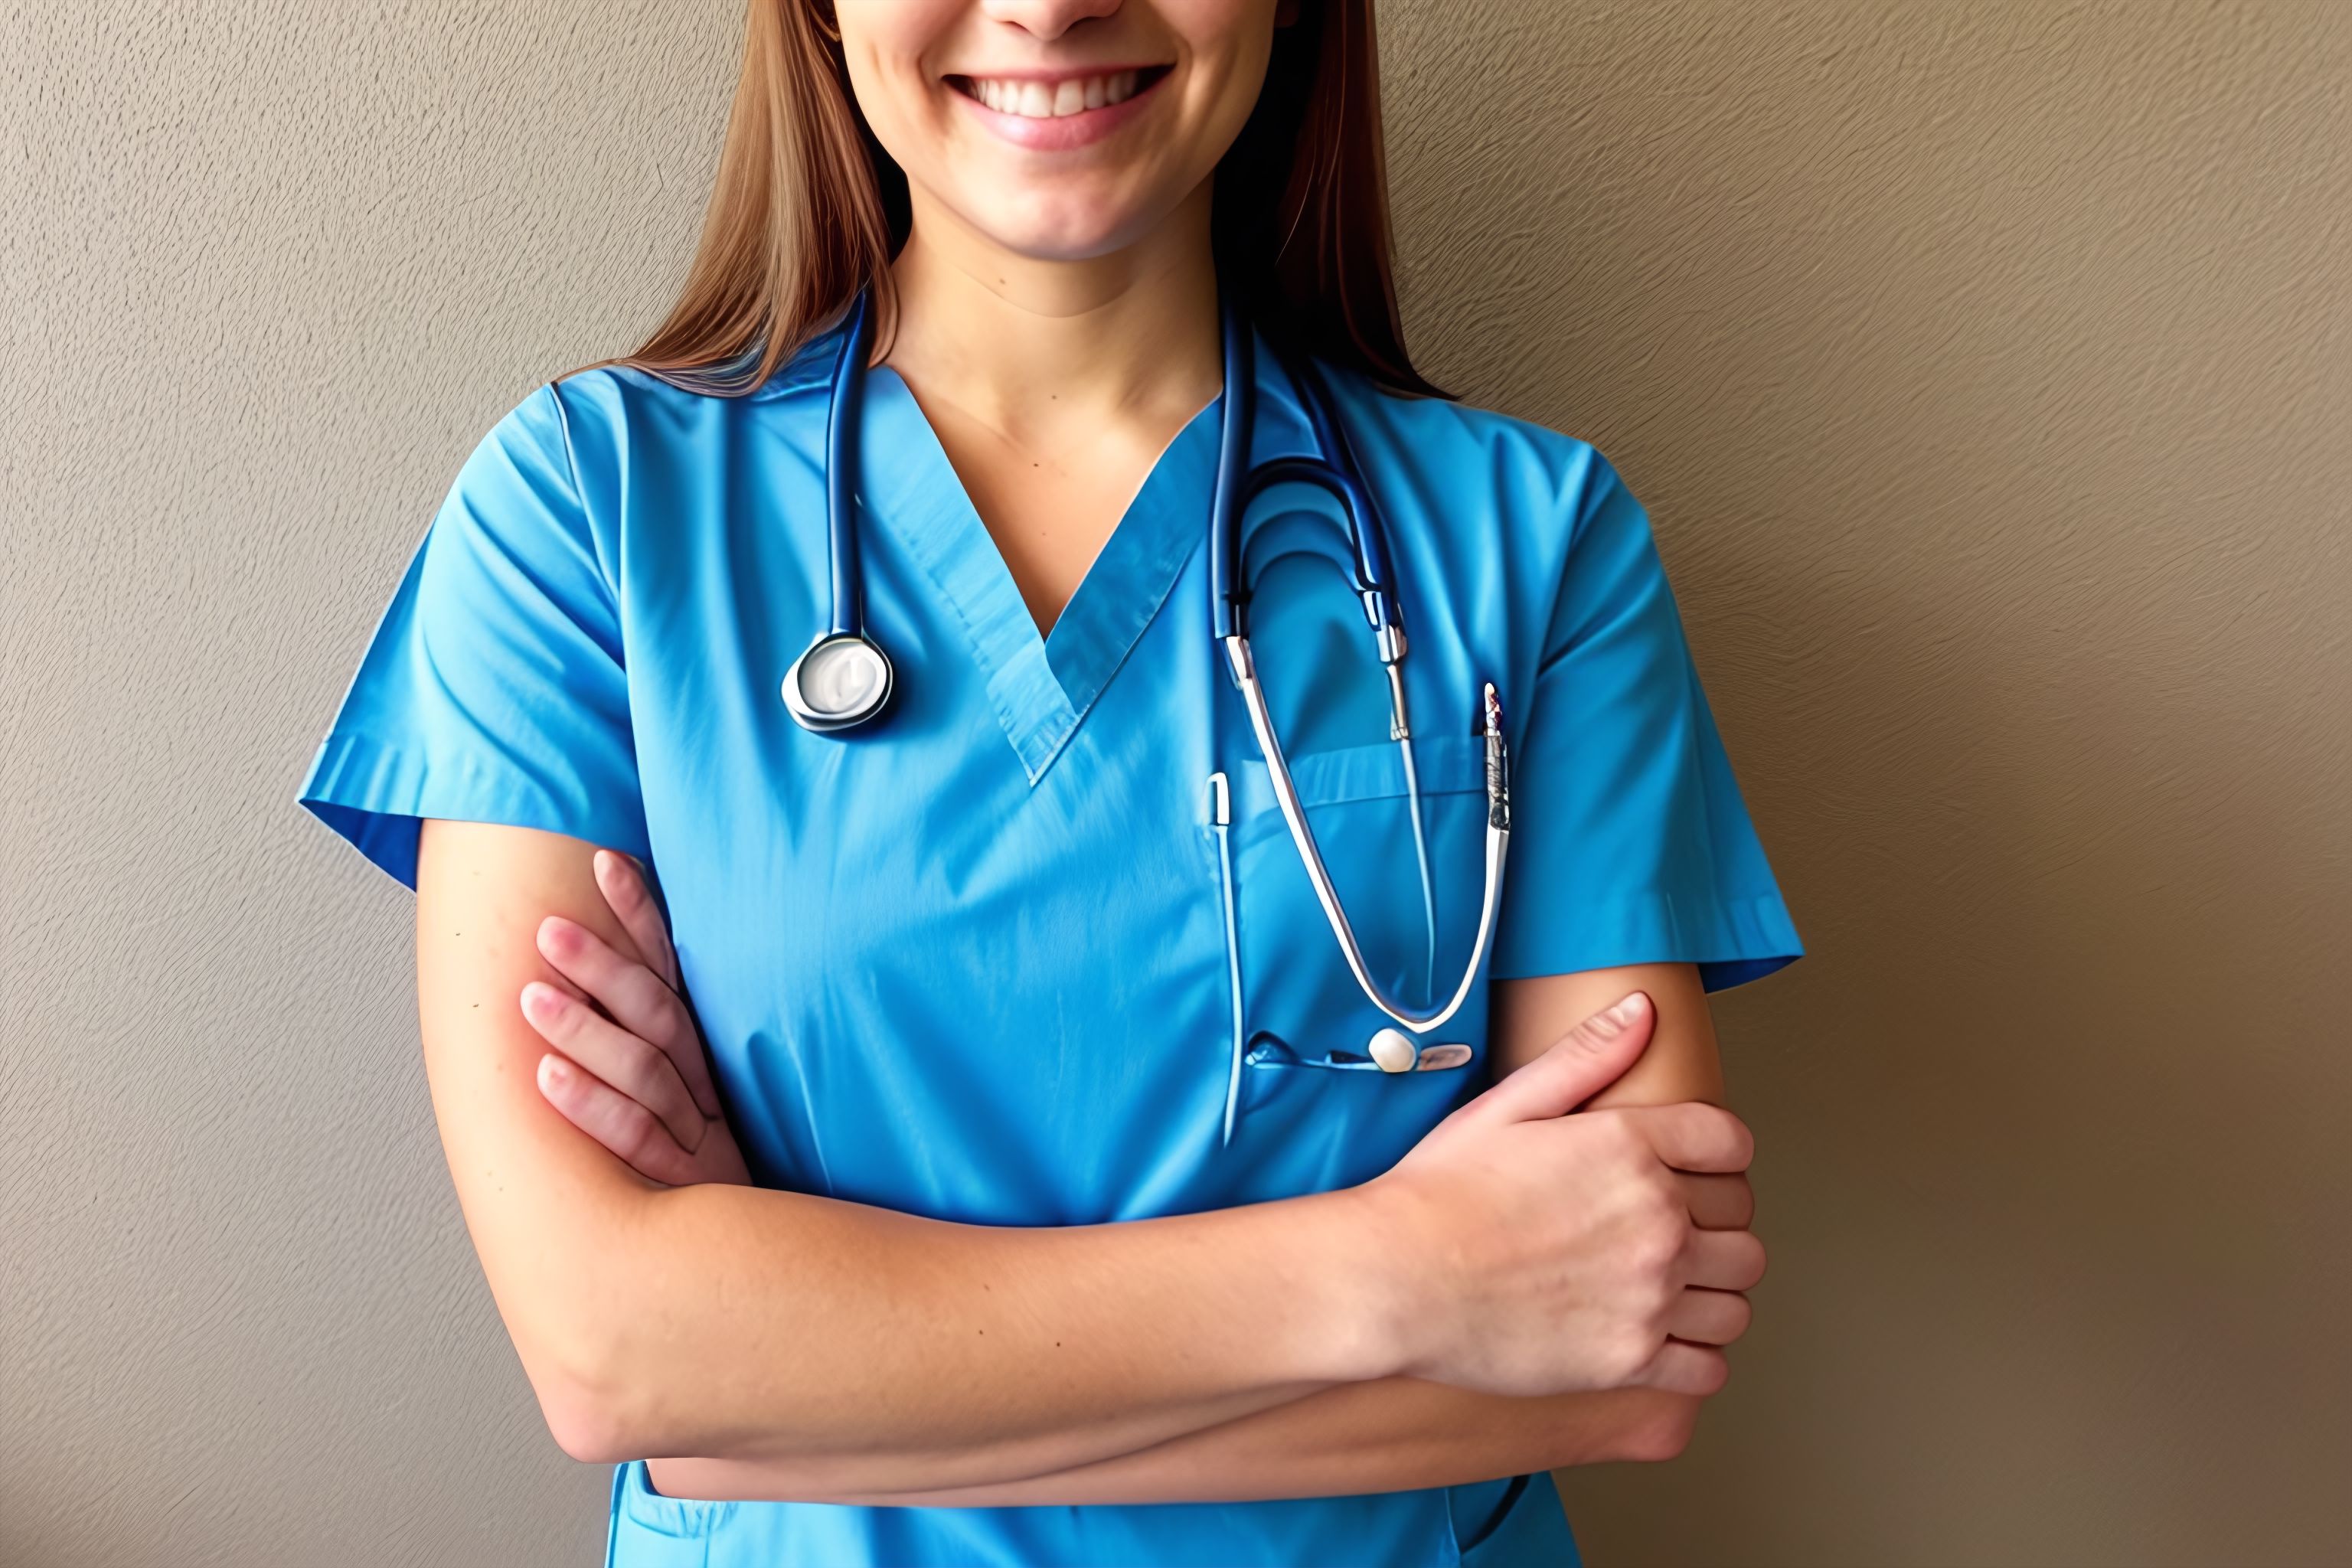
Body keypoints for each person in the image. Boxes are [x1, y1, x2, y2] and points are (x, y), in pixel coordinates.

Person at [293, 1, 1803, 1562]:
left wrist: (794, 1392)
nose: (1052, 4)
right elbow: (614, 1353)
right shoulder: (585, 522)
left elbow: (1623, 1356)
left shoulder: (1532, 542)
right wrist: (1400, 1273)